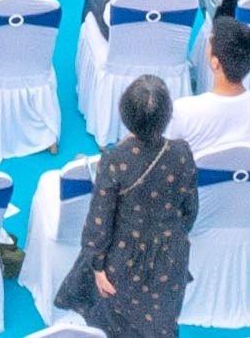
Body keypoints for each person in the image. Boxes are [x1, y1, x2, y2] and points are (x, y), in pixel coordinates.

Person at [66, 81, 194, 338]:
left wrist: (97, 267)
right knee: (162, 322)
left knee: (119, 325)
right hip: (170, 255)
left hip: (124, 259)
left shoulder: (115, 161)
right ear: (168, 115)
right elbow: (190, 210)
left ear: (124, 115)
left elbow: (98, 223)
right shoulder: (181, 152)